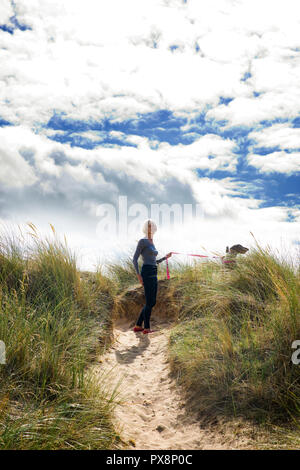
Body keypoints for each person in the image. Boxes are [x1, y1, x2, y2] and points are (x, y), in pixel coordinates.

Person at [132, 219, 172, 334]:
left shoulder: (152, 242)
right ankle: (147, 328)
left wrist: (165, 257)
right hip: (147, 272)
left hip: (154, 271)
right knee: (150, 302)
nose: (150, 228)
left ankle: (138, 325)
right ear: (146, 228)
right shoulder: (142, 241)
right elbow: (134, 259)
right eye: (148, 226)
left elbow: (154, 261)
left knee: (151, 301)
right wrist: (138, 275)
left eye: (152, 226)